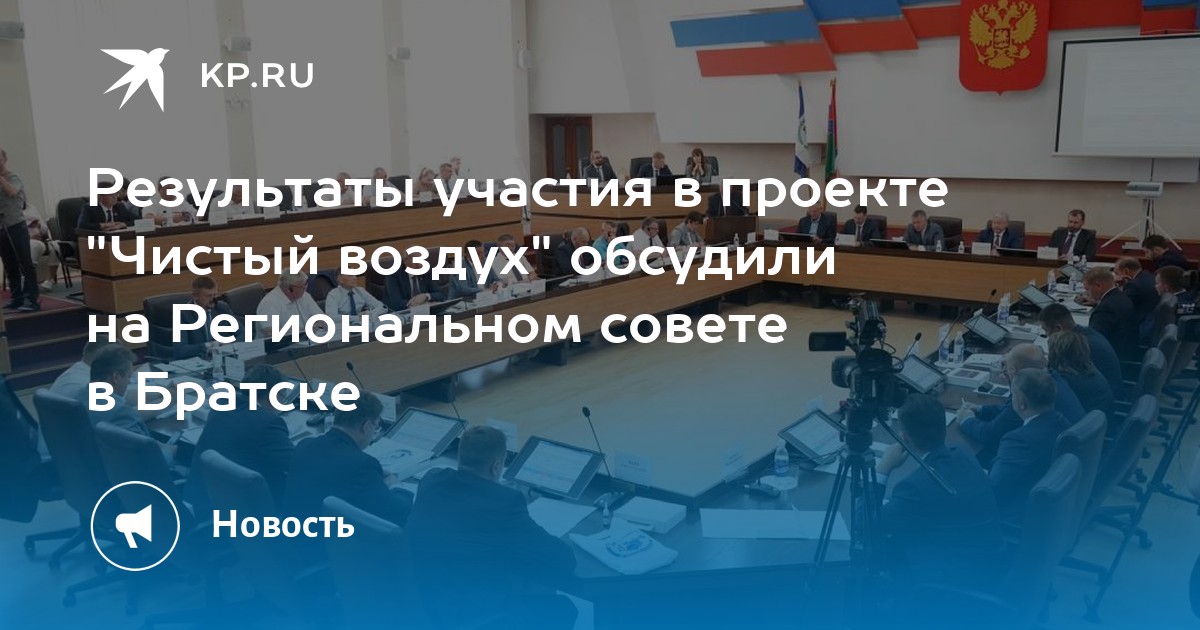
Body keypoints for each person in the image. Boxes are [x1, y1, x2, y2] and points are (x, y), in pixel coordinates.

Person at [405, 426, 578, 630]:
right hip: (468, 614)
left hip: (422, 603)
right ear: (496, 467)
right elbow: (563, 560)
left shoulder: (432, 479)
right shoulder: (505, 502)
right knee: (562, 608)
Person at [874, 395, 1003, 587]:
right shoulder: (962, 453)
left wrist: (883, 468)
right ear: (944, 427)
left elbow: (866, 523)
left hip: (953, 579)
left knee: (879, 546)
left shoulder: (916, 487)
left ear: (905, 437)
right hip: (987, 561)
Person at [283, 394, 413, 560]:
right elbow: (398, 514)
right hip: (324, 554)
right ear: (366, 426)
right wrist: (396, 485)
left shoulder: (305, 445)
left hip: (292, 541)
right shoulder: (362, 464)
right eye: (375, 427)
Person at [186, 364, 293, 516]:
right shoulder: (268, 423)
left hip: (202, 502)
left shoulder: (221, 405)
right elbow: (294, 463)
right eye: (283, 397)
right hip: (244, 514)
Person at [957, 343, 1084, 465]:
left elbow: (990, 434)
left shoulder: (1029, 393)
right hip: (1064, 456)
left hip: (1036, 458)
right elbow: (1010, 409)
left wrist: (966, 420)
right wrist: (981, 409)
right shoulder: (1051, 379)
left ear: (1013, 370)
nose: (1004, 370)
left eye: (1006, 368)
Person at [988, 369, 1071, 521]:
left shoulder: (1018, 440)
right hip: (1049, 505)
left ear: (1021, 403)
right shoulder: (1063, 422)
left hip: (1013, 513)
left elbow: (994, 491)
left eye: (1012, 395)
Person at [1037, 303, 1123, 399]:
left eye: (1046, 331)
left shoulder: (1077, 347)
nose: (1047, 335)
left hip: (1104, 399)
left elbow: (1059, 377)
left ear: (1058, 329)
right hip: (1103, 393)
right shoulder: (1086, 334)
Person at [0, 149, 40, 312]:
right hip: (1, 227)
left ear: (4, 159)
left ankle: (32, 299)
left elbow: (12, 192)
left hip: (16, 225)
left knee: (25, 263)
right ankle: (16, 297)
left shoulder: (13, 177)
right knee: (9, 264)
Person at [84, 345, 152, 438]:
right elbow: (143, 445)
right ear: (116, 377)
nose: (129, 382)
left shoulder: (77, 397)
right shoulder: (121, 412)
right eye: (128, 377)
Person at [1047, 331, 1114, 416]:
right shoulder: (1090, 368)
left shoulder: (1065, 381)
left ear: (1055, 355)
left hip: (1079, 421)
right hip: (1102, 419)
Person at [1083, 267, 1139, 361]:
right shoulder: (1119, 296)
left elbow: (1092, 343)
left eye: (1087, 289)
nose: (1086, 294)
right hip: (1126, 353)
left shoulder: (1106, 309)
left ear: (1098, 286)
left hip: (1114, 361)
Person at [175, 276, 236, 360]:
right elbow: (179, 351)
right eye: (208, 296)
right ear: (195, 296)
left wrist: (230, 344)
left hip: (222, 358)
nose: (213, 299)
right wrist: (208, 346)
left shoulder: (222, 307)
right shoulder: (183, 314)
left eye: (215, 295)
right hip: (198, 361)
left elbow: (242, 333)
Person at [255, 272, 327, 341]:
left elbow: (322, 318)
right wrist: (303, 330)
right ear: (289, 289)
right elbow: (271, 332)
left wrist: (319, 324)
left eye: (305, 284)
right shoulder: (269, 303)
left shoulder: (304, 296)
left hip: (304, 341)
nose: (305, 288)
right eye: (301, 286)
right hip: (278, 346)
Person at [25, 205, 62, 292]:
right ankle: (29, 282)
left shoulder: (31, 208)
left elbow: (45, 229)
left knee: (56, 246)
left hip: (40, 239)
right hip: (24, 241)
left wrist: (39, 226)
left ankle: (50, 281)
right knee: (35, 246)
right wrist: (29, 236)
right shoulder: (11, 212)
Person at [1114, 257, 1158, 322]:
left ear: (1126, 271)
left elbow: (1118, 305)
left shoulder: (1134, 285)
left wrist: (1115, 286)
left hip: (1140, 322)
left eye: (1116, 273)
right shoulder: (1150, 276)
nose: (1116, 276)